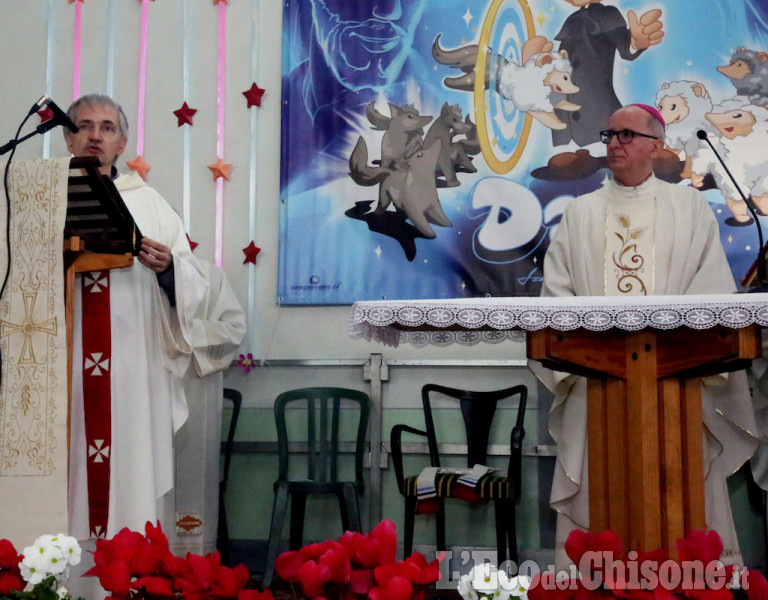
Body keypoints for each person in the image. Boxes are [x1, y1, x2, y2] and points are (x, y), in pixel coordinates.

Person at [536, 104, 760, 568]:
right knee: (602, 483)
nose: (614, 143)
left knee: (680, 483)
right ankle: (596, 581)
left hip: (675, 384)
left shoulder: (688, 207)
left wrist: (671, 346)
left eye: (627, 135)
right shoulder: (580, 213)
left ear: (656, 146)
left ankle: (687, 578)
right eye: (609, 133)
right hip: (597, 384)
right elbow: (556, 295)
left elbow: (712, 290)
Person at [64, 94, 212, 542]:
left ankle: (129, 578)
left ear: (122, 141)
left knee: (132, 465)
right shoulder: (41, 202)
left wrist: (169, 270)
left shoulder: (148, 203)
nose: (95, 135)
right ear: (68, 138)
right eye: (84, 126)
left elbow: (195, 284)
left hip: (134, 364)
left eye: (107, 127)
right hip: (65, 365)